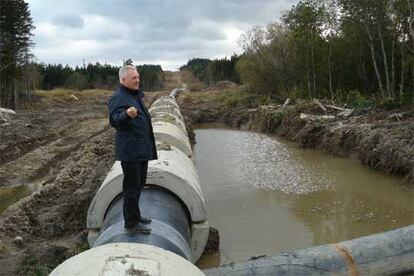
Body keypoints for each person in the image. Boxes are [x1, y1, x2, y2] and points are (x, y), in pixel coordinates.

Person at [108, 65, 157, 234]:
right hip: (130, 152)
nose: (138, 80)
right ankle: (130, 223)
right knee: (131, 188)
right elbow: (114, 120)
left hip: (140, 151)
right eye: (133, 78)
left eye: (138, 77)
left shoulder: (134, 96)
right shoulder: (119, 97)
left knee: (138, 186)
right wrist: (126, 115)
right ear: (123, 80)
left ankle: (136, 216)